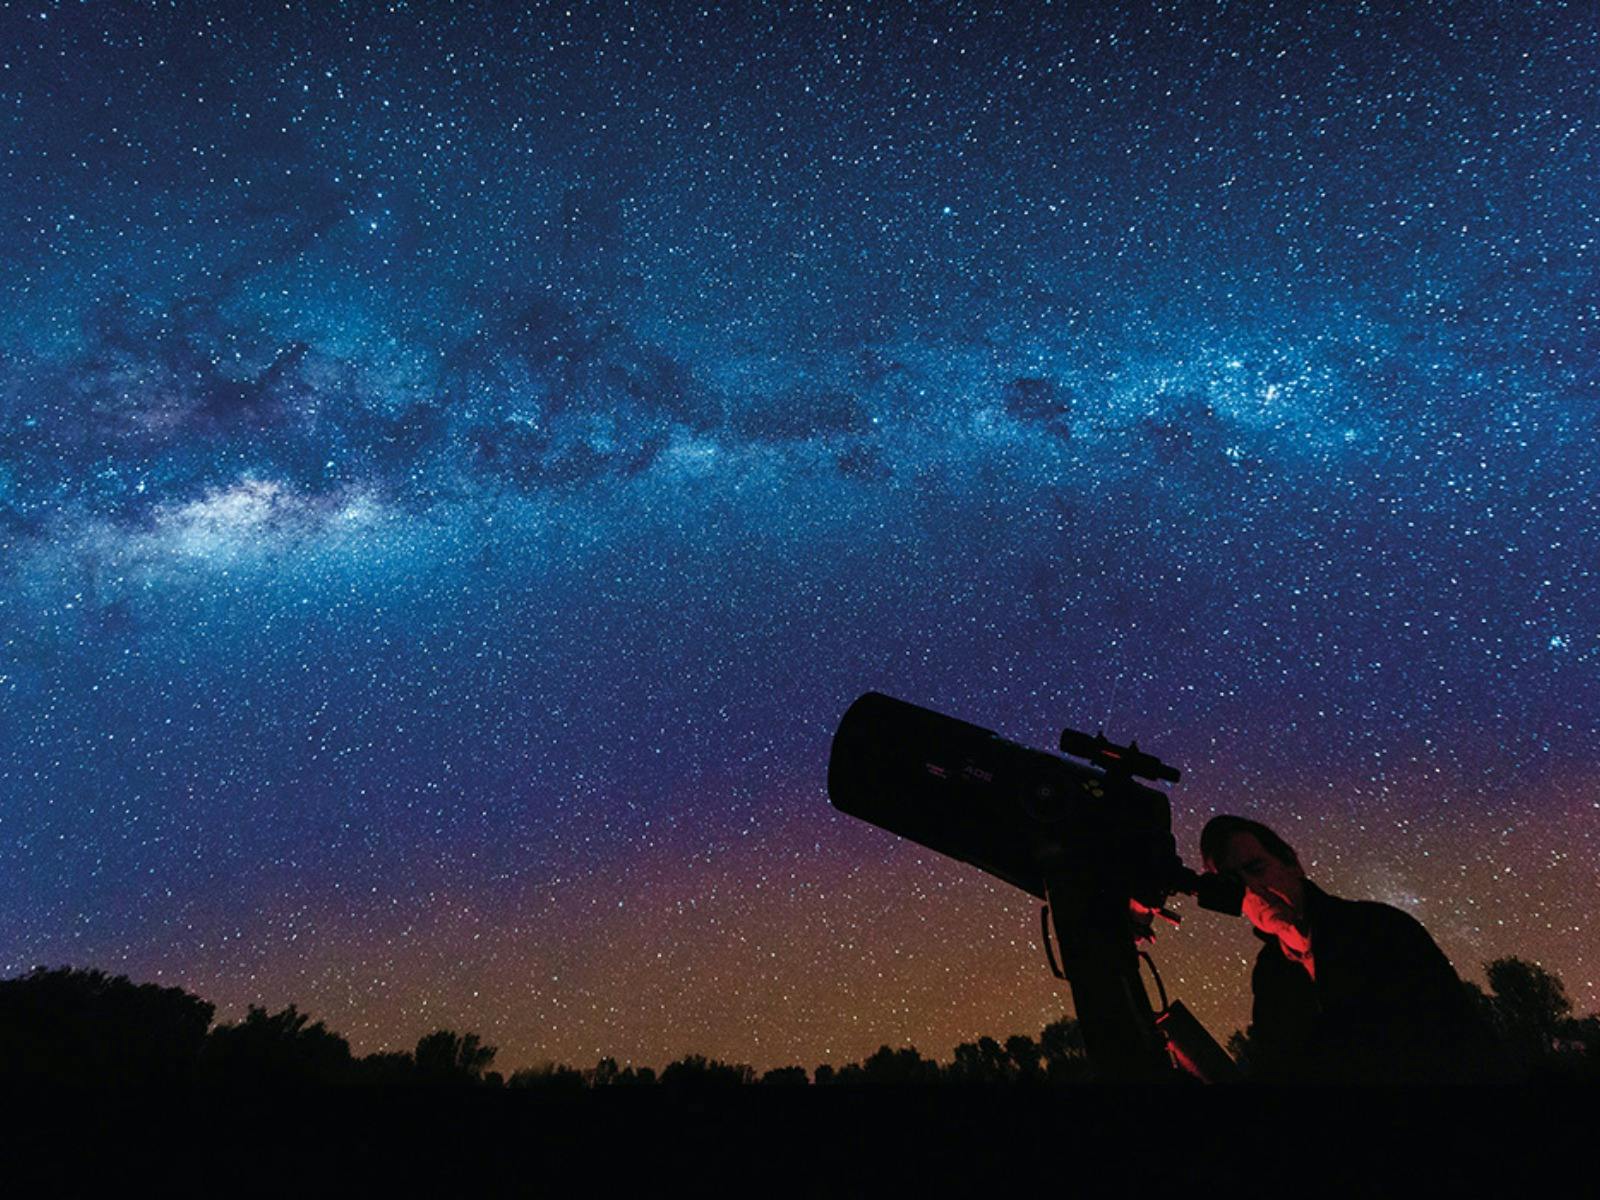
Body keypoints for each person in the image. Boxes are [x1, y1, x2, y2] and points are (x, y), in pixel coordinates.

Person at [1201, 815, 1501, 1083]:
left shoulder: (1381, 929)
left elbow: (1457, 1041)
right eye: (1236, 884)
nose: (1253, 889)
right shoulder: (1269, 973)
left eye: (1257, 868)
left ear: (1292, 863)